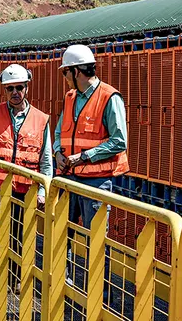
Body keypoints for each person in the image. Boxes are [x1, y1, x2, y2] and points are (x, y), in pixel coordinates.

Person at [0, 63, 52, 297]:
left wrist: (42, 192)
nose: (15, 93)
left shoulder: (41, 119)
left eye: (19, 88)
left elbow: (46, 162)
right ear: (4, 90)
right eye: (10, 89)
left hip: (25, 192)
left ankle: (15, 280)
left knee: (20, 237)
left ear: (27, 88)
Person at [54, 44, 129, 229]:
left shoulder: (109, 97)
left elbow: (119, 141)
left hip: (96, 182)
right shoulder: (70, 97)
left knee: (94, 242)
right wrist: (57, 152)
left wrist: (85, 156)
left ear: (76, 71)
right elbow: (58, 132)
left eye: (65, 72)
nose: (64, 78)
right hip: (67, 177)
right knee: (61, 238)